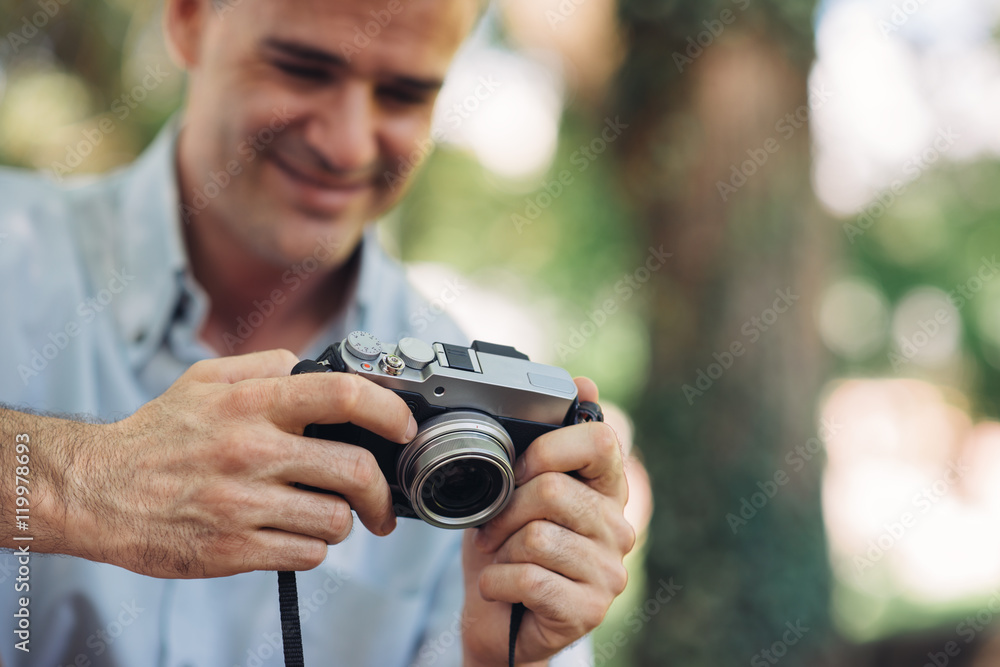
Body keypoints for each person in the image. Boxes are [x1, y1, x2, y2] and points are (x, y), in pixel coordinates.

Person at [0, 0, 635, 664]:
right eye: (302, 69)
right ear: (187, 20)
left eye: (403, 94)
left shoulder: (479, 430)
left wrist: (502, 657)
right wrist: (76, 482)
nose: (346, 144)